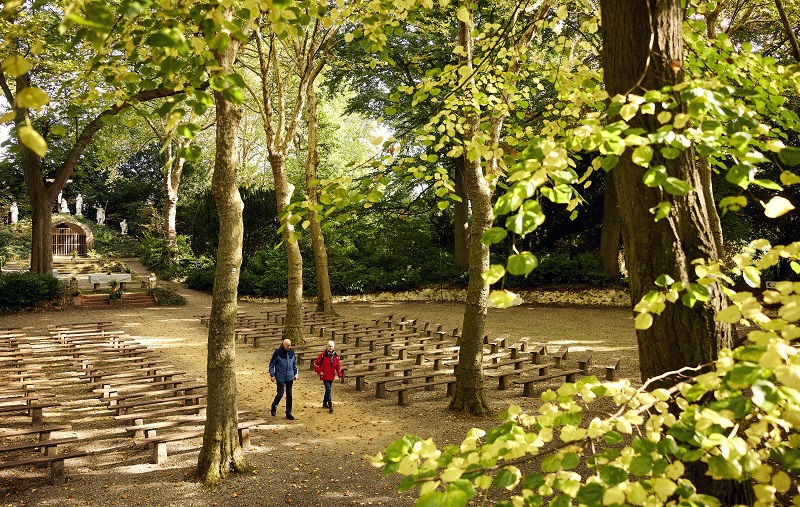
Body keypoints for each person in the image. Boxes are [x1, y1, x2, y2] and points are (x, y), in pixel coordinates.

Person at [269, 339, 298, 420]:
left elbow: (294, 363)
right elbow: (271, 364)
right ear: (283, 345)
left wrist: (295, 373)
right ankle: (274, 405)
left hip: (290, 376)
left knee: (289, 395)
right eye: (287, 345)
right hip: (280, 376)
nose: (289, 347)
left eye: (290, 345)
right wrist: (272, 375)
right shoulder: (277, 352)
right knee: (280, 394)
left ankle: (288, 412)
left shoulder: (292, 352)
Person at [313, 340, 342, 413]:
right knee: (328, 390)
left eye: (332, 346)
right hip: (325, 375)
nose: (330, 348)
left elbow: (338, 366)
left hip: (331, 375)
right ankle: (330, 405)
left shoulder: (336, 356)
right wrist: (319, 372)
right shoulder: (322, 355)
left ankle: (324, 402)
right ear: (327, 346)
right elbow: (316, 364)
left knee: (328, 390)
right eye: (329, 346)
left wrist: (339, 375)